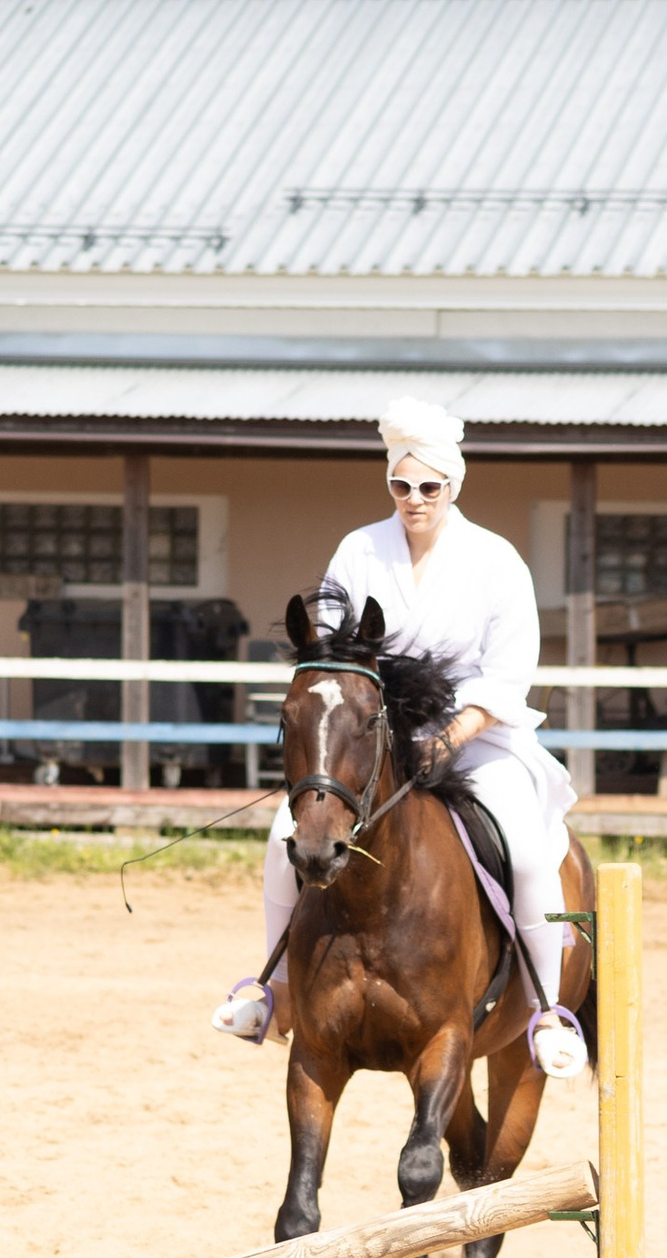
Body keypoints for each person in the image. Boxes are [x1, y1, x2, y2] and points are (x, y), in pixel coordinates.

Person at [212, 399, 586, 1073]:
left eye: (429, 487)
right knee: (282, 842)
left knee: (529, 853)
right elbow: (331, 644)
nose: (414, 500)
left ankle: (547, 1011)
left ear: (454, 486)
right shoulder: (360, 549)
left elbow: (509, 670)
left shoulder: (496, 560)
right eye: (401, 486)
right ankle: (277, 992)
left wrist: (456, 733)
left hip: (476, 737)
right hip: (374, 736)